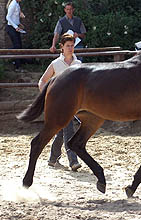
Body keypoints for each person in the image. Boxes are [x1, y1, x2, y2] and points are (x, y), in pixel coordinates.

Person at [39, 33, 82, 171]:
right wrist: (46, 96)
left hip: (74, 104)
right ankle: (73, 160)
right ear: (61, 47)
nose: (70, 48)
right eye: (68, 46)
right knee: (69, 129)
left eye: (72, 46)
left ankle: (53, 158)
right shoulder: (56, 64)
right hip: (59, 104)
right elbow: (43, 81)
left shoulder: (78, 64)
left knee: (61, 131)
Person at [5, 0, 25, 72]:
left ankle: (15, 61)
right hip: (11, 28)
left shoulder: (17, 3)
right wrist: (15, 27)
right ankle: (17, 66)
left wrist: (19, 24)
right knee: (17, 46)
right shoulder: (13, 3)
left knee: (19, 46)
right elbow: (8, 17)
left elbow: (15, 17)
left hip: (15, 27)